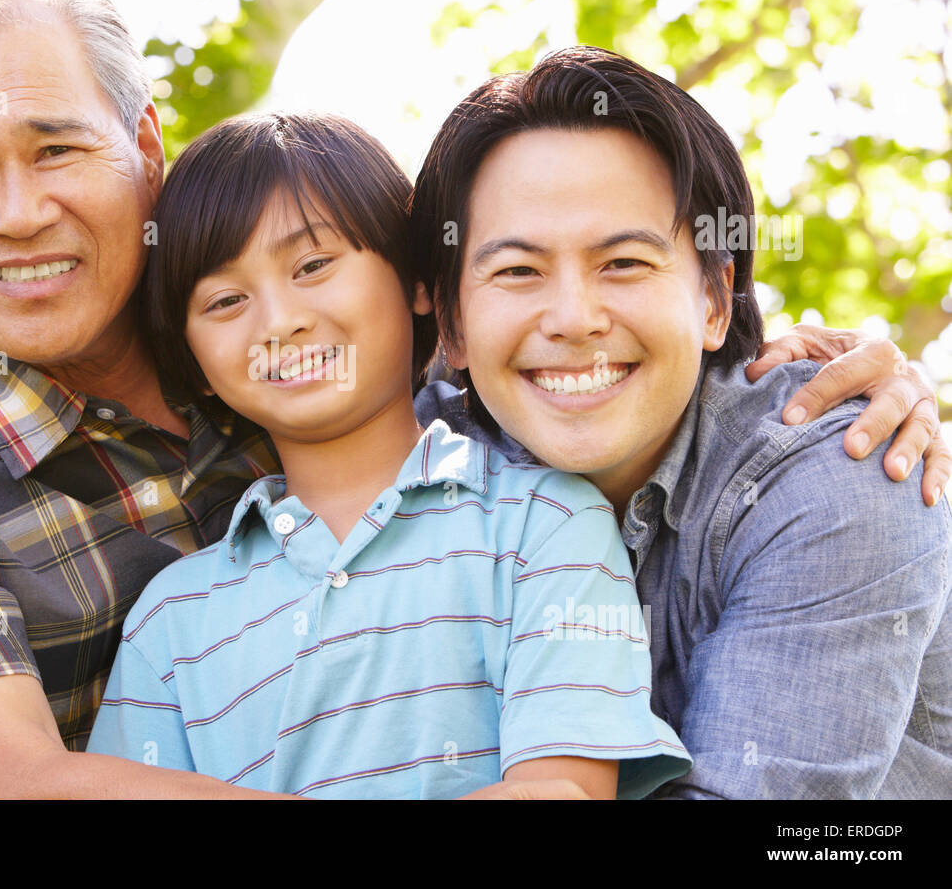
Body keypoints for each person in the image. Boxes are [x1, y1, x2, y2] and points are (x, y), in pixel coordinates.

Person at [0, 0, 946, 799]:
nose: (21, 210)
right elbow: (7, 785)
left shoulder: (371, 382)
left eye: (60, 146)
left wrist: (837, 359)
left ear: (145, 149)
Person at [85, 112, 691, 798]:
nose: (280, 321)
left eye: (313, 265)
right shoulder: (171, 616)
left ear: (418, 283)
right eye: (225, 301)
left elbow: (560, 791)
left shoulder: (545, 526)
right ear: (193, 361)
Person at [410, 45, 952, 797]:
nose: (572, 319)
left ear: (714, 299)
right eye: (517, 271)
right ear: (454, 324)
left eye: (624, 263)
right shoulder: (413, 462)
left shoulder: (842, 477)